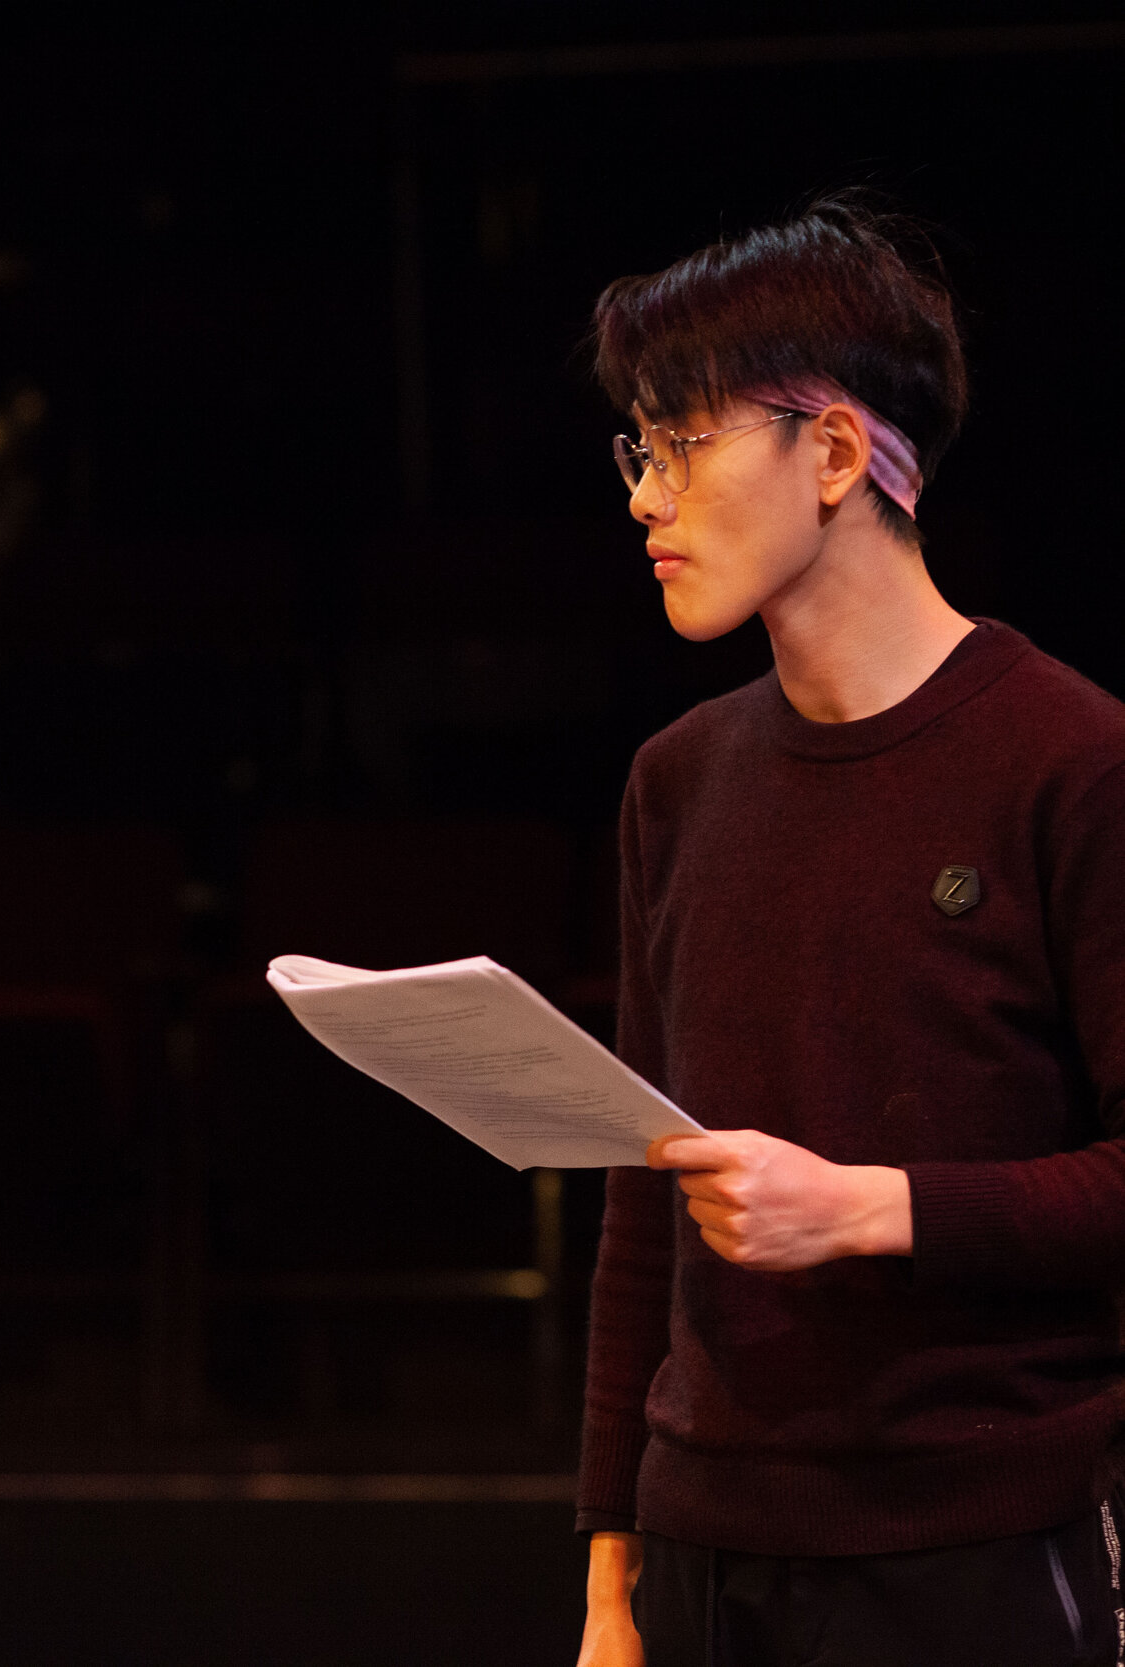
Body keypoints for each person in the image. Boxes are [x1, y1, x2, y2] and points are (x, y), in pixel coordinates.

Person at [572, 200, 1125, 1667]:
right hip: (702, 1546)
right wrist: (609, 1578)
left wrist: (873, 1205)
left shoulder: (1070, 759)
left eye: (680, 445)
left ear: (829, 455)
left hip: (971, 1546)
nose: (644, 498)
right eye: (638, 450)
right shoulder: (677, 777)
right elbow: (646, 1201)